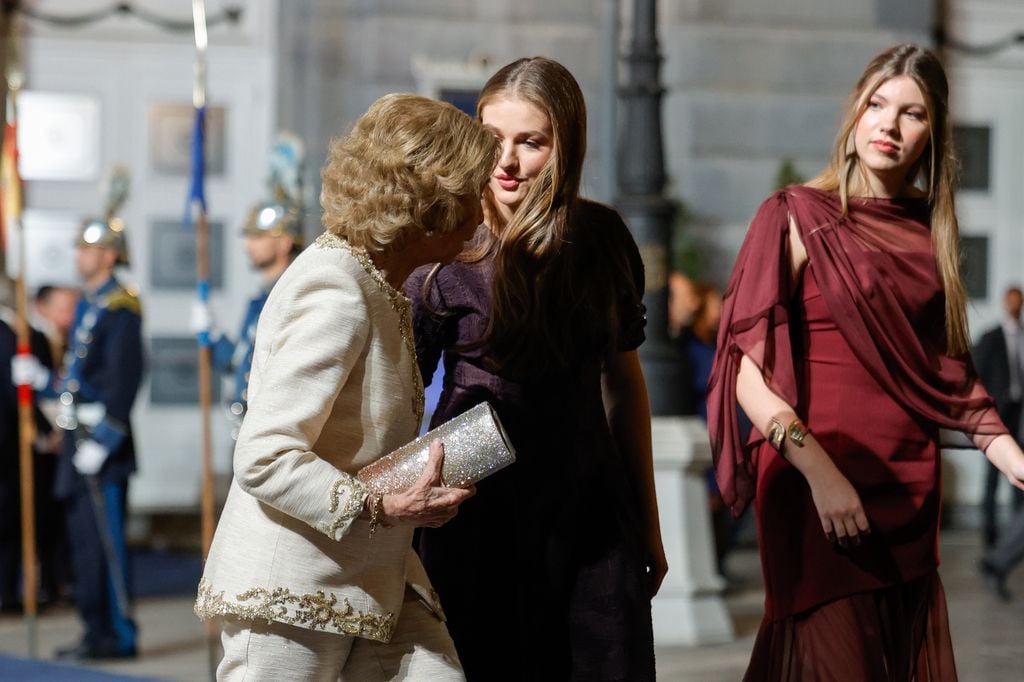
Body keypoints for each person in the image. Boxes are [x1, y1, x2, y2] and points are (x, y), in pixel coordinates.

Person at [707, 44, 1024, 680]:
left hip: (909, 491)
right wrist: (822, 474)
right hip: (812, 481)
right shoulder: (796, 214)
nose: (889, 124)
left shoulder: (931, 235)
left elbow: (953, 377)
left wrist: (1013, 457)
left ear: (932, 133)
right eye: (877, 105)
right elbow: (747, 373)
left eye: (912, 113)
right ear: (854, 114)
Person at [194, 93, 496, 681]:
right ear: (427, 202)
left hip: (372, 579)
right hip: (291, 588)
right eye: (469, 196)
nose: (480, 217)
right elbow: (264, 456)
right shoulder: (338, 288)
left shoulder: (376, 281)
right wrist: (380, 504)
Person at [406, 57, 665, 681]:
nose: (507, 161)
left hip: (587, 498)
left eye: (532, 142)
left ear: (565, 144)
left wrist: (648, 525)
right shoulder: (445, 243)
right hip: (472, 495)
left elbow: (624, 387)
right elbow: (399, 395)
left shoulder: (601, 238)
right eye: (493, 139)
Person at [14, 197, 145, 659]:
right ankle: (95, 630)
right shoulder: (91, 305)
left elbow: (123, 384)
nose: (78, 256)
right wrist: (44, 381)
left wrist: (106, 439)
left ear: (109, 254)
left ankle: (118, 633)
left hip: (100, 449)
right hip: (75, 443)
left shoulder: (120, 308)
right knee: (84, 547)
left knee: (106, 548)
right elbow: (79, 381)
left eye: (87, 249)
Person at [192, 133, 305, 439]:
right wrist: (211, 333)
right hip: (247, 428)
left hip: (273, 432)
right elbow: (239, 362)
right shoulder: (261, 298)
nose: (247, 246)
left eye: (257, 237)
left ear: (283, 242)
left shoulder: (294, 296)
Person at [0, 276, 56, 613]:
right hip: (7, 438)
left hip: (15, 441)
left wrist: (43, 431)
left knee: (16, 519)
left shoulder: (28, 336)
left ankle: (11, 589)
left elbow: (34, 392)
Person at [973, 285, 1024, 547]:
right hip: (999, 414)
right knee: (992, 477)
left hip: (1020, 413)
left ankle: (1016, 538)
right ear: (1005, 302)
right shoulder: (991, 338)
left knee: (1019, 478)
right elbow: (976, 375)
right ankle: (990, 536)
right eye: (1011, 300)